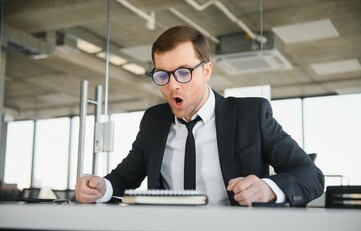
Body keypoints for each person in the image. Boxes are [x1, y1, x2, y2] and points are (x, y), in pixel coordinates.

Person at [75, 25, 324, 206]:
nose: (173, 85)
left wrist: (268, 188)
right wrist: (100, 188)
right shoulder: (154, 120)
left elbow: (311, 176)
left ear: (206, 71)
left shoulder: (251, 115)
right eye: (162, 75)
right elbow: (123, 178)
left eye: (184, 73)